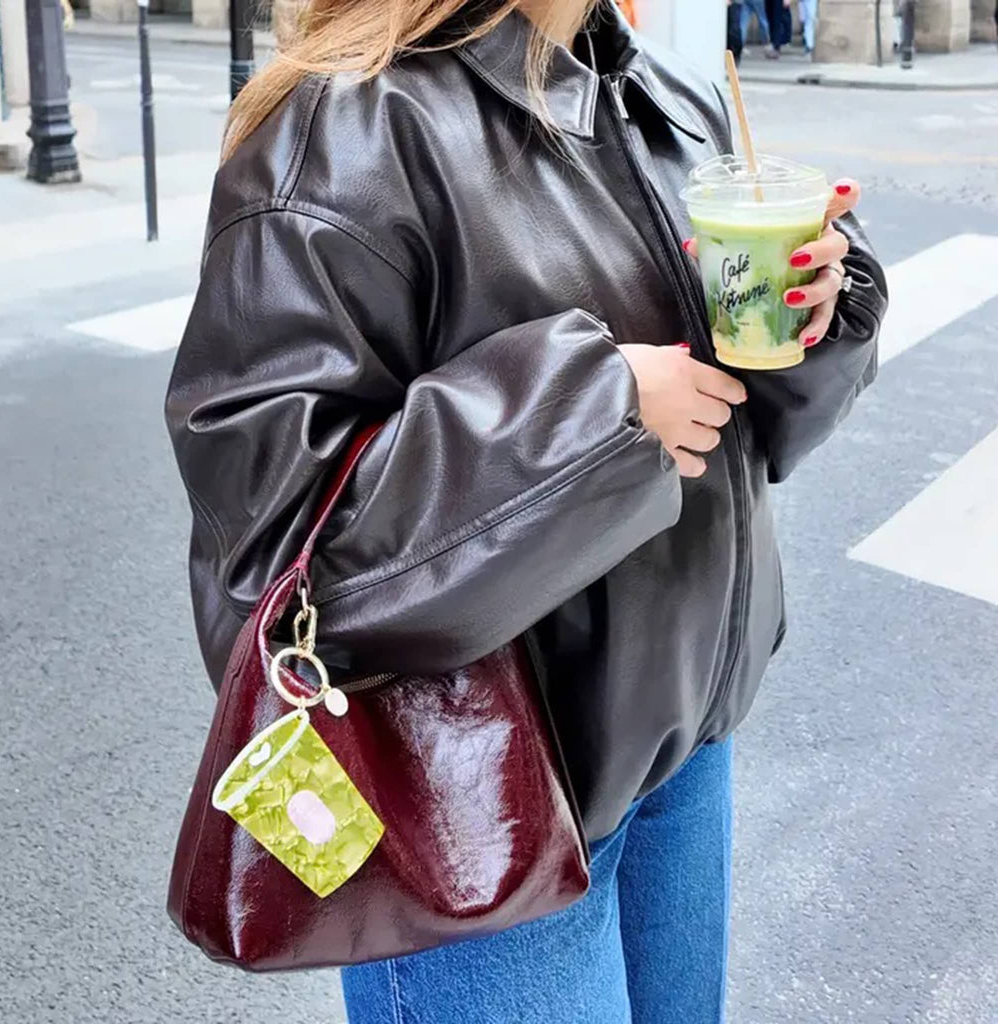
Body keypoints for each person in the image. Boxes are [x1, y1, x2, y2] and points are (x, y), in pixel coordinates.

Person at [164, 0, 886, 1020]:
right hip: (478, 808)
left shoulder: (667, 99)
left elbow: (752, 440)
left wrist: (814, 314)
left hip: (685, 753)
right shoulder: (344, 135)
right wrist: (593, 412)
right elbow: (276, 568)